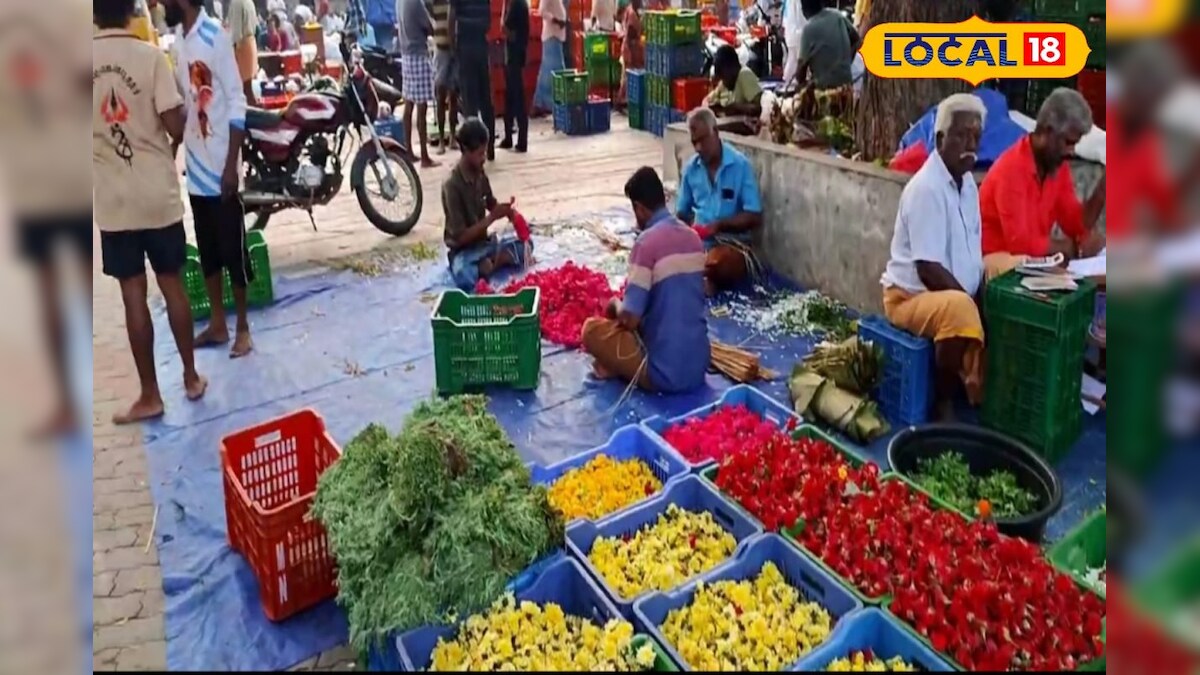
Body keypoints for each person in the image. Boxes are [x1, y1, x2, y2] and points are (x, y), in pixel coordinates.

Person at [94, 0, 209, 423]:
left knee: (132, 296)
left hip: (115, 202)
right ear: (132, 12)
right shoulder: (151, 57)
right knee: (173, 286)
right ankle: (192, 377)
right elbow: (176, 126)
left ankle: (150, 395)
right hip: (158, 196)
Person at [881, 94, 988, 422]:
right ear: (940, 139)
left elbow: (974, 253)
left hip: (948, 293)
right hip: (909, 298)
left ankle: (973, 373)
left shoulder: (968, 184)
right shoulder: (926, 188)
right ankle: (943, 400)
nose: (969, 144)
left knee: (999, 273)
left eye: (975, 137)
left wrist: (981, 299)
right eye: (960, 136)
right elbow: (928, 270)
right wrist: (971, 308)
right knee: (959, 309)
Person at [164, 0, 256, 357]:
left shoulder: (215, 37)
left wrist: (232, 164)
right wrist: (175, 144)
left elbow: (236, 100)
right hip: (197, 167)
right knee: (208, 251)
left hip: (220, 165)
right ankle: (219, 324)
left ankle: (243, 327)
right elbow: (187, 102)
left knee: (233, 248)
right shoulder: (179, 40)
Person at [582, 167, 710, 393]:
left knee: (591, 330)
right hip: (699, 367)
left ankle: (616, 367)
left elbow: (629, 319)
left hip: (665, 375)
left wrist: (613, 304)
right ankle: (617, 366)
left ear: (639, 208)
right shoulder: (693, 238)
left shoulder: (646, 243)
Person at [979, 88, 1106, 278]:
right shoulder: (1010, 169)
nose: (1072, 151)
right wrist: (1070, 247)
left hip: (1032, 268)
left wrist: (1102, 190)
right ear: (1047, 132)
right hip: (998, 272)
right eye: (1068, 142)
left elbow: (1076, 223)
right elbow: (1022, 246)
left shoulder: (1057, 165)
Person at [676, 108, 764, 292]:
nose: (699, 148)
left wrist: (720, 225)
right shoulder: (690, 169)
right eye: (694, 142)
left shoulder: (740, 165)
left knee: (718, 263)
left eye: (703, 140)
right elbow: (682, 213)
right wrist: (688, 232)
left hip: (731, 245)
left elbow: (754, 215)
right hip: (700, 244)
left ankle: (704, 276)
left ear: (715, 132)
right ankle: (701, 277)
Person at [442, 119, 532, 290]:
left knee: (527, 246)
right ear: (465, 151)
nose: (484, 158)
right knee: (464, 275)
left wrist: (507, 212)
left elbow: (490, 203)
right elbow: (460, 237)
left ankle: (490, 265)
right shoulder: (451, 185)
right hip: (463, 252)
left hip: (484, 245)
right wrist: (491, 218)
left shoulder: (479, 173)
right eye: (480, 154)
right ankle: (488, 264)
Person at [450, 0, 496, 160]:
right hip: (481, 47)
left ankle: (471, 151)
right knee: (485, 99)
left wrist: (452, 47)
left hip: (465, 46)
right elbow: (489, 23)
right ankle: (489, 148)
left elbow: (452, 16)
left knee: (470, 102)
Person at [397, 0, 438, 166]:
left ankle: (408, 151)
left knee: (409, 105)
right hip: (418, 55)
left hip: (406, 55)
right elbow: (430, 27)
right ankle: (424, 156)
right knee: (422, 107)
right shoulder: (415, 2)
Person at [793, 0, 859, 92]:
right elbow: (857, 40)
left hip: (825, 89)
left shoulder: (808, 29)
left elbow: (800, 73)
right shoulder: (837, 15)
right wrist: (846, 60)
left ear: (803, 10)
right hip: (846, 85)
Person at [705, 45, 763, 123]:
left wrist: (736, 107)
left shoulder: (745, 74)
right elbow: (706, 101)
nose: (723, 81)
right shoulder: (724, 83)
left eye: (723, 76)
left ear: (732, 67)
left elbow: (758, 108)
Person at [501, 0, 530, 152]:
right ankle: (509, 137)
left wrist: (504, 8)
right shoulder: (521, 4)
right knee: (511, 98)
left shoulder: (516, 5)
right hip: (517, 56)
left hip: (513, 56)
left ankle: (521, 139)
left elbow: (504, 28)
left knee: (516, 98)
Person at [430, 0, 458, 153]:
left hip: (455, 49)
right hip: (441, 49)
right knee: (441, 95)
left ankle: (452, 137)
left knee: (453, 95)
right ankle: (442, 139)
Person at [532, 0, 568, 115]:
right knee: (554, 72)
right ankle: (546, 104)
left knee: (548, 71)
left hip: (556, 36)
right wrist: (555, 20)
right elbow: (542, 11)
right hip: (552, 35)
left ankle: (540, 103)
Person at [225, 0, 258, 103]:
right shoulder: (249, 2)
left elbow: (236, 33)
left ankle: (253, 115)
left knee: (243, 90)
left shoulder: (236, 3)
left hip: (241, 46)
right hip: (251, 43)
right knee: (248, 88)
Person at [617, 0, 644, 110]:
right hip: (630, 49)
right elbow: (630, 34)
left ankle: (623, 100)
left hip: (631, 48)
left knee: (626, 76)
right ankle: (621, 101)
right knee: (628, 77)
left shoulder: (630, 10)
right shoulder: (632, 14)